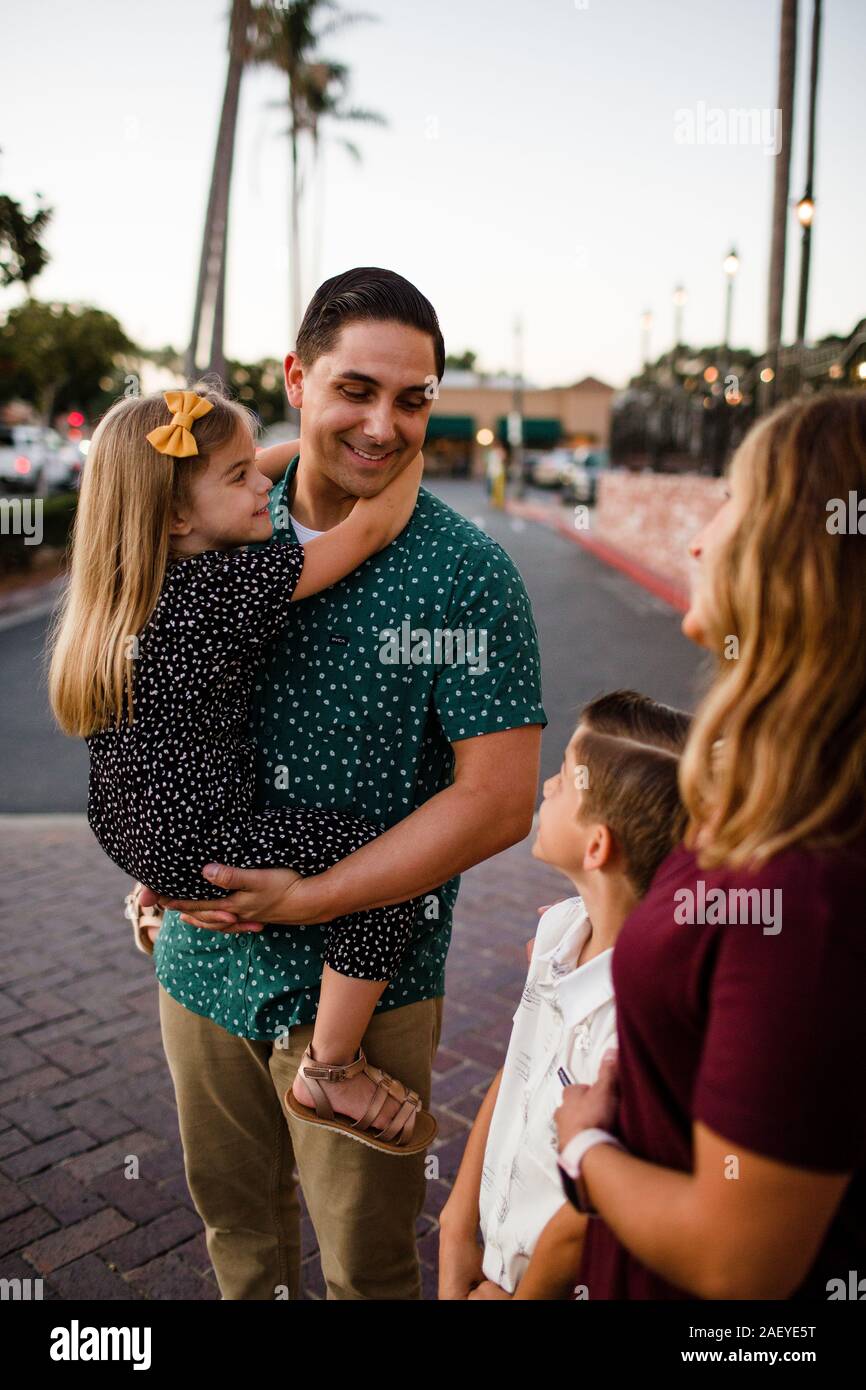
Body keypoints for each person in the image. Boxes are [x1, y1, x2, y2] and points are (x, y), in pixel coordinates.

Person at [136, 266, 547, 1299]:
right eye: (355, 390)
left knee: (367, 1274)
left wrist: (312, 896)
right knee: (238, 1239)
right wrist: (159, 845)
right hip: (204, 965)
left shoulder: (466, 572)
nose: (382, 424)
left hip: (371, 988)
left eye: (412, 400)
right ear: (296, 379)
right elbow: (156, 702)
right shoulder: (208, 523)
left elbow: (496, 799)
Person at [47, 383, 446, 1155]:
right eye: (239, 477)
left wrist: (299, 446)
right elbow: (369, 529)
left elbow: (205, 479)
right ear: (176, 513)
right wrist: (392, 437)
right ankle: (330, 1069)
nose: (264, 482)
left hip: (134, 831)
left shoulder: (129, 589)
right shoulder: (224, 588)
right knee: (389, 870)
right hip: (204, 843)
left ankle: (160, 904)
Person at [555, 390, 866, 1300]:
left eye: (729, 501)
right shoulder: (771, 801)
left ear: (797, 554)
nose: (697, 537)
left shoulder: (809, 888)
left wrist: (585, 1145)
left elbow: (740, 1260)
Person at [438, 691, 690, 1299]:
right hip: (491, 1259)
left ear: (598, 846)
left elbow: (586, 1218)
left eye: (563, 777)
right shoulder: (557, 930)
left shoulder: (635, 1020)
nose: (547, 785)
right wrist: (455, 1224)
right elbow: (519, 1065)